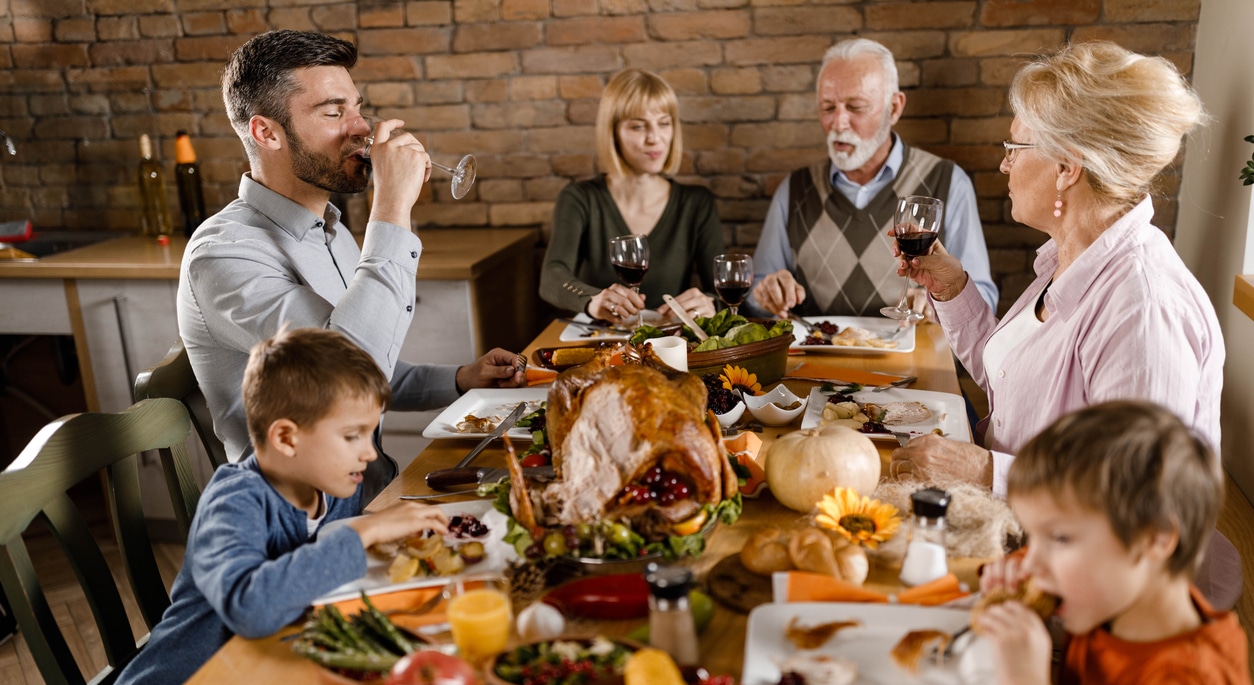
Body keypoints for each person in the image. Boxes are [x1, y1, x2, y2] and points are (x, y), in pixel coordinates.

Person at [178, 29, 525, 496]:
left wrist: (461, 379)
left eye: (357, 107)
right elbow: (346, 380)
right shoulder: (225, 254)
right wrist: (392, 209)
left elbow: (366, 360)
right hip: (305, 521)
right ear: (266, 132)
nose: (361, 127)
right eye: (333, 111)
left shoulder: (331, 228)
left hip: (373, 488)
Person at [891, 41, 1222, 496]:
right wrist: (951, 287)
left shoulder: (1144, 307)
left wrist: (988, 472)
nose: (1004, 164)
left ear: (1067, 167)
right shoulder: (1071, 257)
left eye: (1014, 147)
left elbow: (1139, 495)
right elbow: (1008, 382)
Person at [107, 327, 449, 685]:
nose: (370, 452)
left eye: (369, 433)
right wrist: (364, 530)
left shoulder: (333, 481)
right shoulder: (235, 501)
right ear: (286, 437)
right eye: (352, 436)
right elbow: (251, 607)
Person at [976, 400, 1254, 685]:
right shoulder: (1106, 600)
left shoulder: (1191, 679)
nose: (1031, 564)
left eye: (1060, 538)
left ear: (1155, 540)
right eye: (1035, 537)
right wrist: (1009, 581)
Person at [748, 38, 996, 318]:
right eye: (828, 108)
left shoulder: (948, 182)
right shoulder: (794, 190)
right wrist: (767, 293)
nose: (838, 123)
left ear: (895, 108)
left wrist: (942, 298)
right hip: (820, 359)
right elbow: (756, 293)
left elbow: (984, 300)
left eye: (856, 107)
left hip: (914, 360)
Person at [539, 69, 724, 326]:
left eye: (664, 123)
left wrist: (708, 304)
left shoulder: (696, 203)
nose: (654, 138)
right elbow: (551, 277)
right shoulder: (580, 198)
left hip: (672, 345)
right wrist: (593, 300)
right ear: (612, 132)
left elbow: (719, 292)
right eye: (638, 126)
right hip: (599, 344)